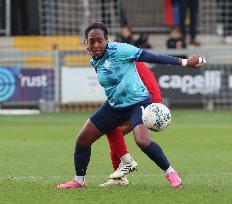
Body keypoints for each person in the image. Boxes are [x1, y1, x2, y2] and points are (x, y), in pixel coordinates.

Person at [57, 22, 206, 190]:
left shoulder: (121, 50)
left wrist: (185, 62)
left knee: (142, 140)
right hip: (114, 106)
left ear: (107, 40)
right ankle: (79, 181)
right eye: (92, 41)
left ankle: (171, 172)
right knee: (83, 139)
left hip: (138, 103)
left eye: (100, 40)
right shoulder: (95, 59)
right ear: (86, 43)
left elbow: (153, 57)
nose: (96, 44)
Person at [99, 61, 162, 187]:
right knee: (114, 131)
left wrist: (155, 106)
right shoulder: (120, 63)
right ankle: (120, 176)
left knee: (140, 140)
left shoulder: (130, 62)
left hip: (146, 108)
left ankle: (169, 171)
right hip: (134, 106)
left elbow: (150, 82)